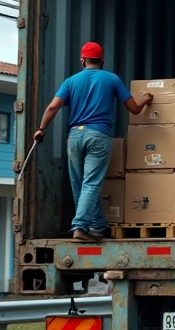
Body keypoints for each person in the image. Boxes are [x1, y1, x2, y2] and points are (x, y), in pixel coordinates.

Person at [33, 42, 153, 242]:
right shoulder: (112, 79)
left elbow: (54, 107)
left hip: (75, 137)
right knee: (91, 183)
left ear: (82, 60)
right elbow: (134, 109)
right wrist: (145, 98)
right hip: (98, 135)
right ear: (102, 60)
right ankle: (80, 227)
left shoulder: (71, 81)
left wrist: (41, 129)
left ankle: (97, 225)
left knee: (79, 184)